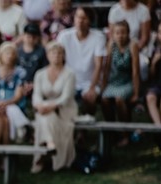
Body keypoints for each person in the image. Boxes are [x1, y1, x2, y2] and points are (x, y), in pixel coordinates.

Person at [31, 42, 77, 172]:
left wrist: (49, 106)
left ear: (64, 56)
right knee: (46, 116)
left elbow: (66, 97)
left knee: (43, 117)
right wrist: (39, 105)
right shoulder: (40, 74)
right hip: (46, 110)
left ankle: (42, 156)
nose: (56, 56)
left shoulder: (69, 74)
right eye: (53, 53)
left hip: (65, 110)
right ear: (47, 55)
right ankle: (50, 144)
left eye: (59, 53)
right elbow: (36, 95)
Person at [57, 7, 107, 116]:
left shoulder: (99, 37)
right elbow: (57, 60)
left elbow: (99, 65)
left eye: (84, 18)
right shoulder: (64, 36)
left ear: (90, 21)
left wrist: (92, 87)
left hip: (90, 82)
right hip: (69, 81)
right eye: (78, 17)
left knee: (89, 99)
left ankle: (85, 128)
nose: (80, 21)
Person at [100, 20, 140, 147]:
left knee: (119, 100)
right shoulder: (111, 45)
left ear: (128, 33)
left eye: (123, 32)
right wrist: (103, 86)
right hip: (114, 81)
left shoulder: (132, 46)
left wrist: (136, 92)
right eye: (117, 33)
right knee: (105, 99)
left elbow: (135, 71)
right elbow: (106, 69)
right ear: (113, 34)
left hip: (127, 81)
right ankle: (111, 131)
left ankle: (125, 133)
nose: (120, 35)